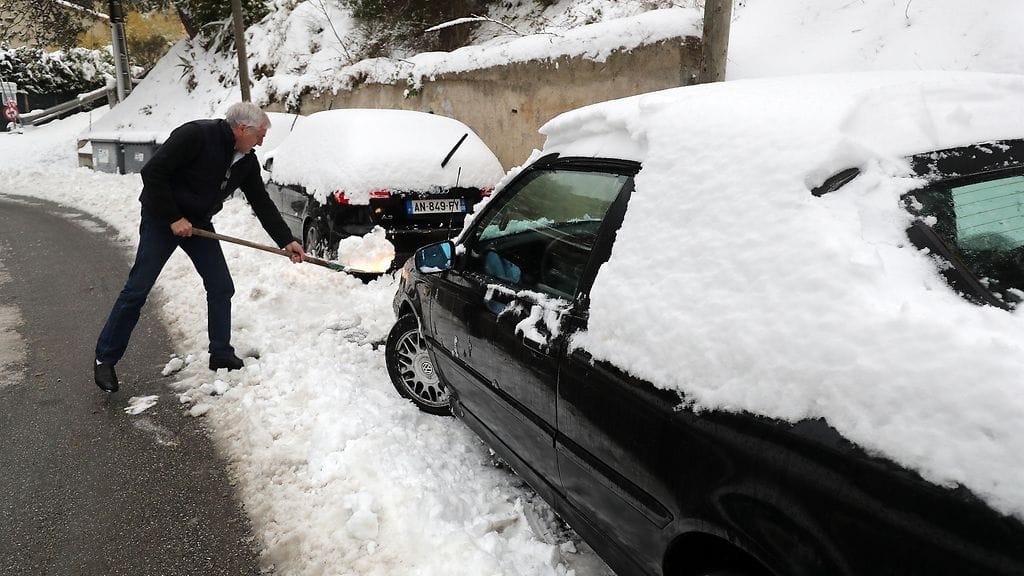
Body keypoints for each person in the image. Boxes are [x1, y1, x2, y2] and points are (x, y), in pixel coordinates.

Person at [93, 102, 305, 393]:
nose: (262, 141)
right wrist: (173, 217)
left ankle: (221, 353)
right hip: (161, 219)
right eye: (260, 135)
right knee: (137, 289)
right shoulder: (196, 135)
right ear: (243, 128)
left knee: (221, 286)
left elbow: (262, 203)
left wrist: (286, 239)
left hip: (198, 226)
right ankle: (105, 358)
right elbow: (153, 174)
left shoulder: (245, 161)